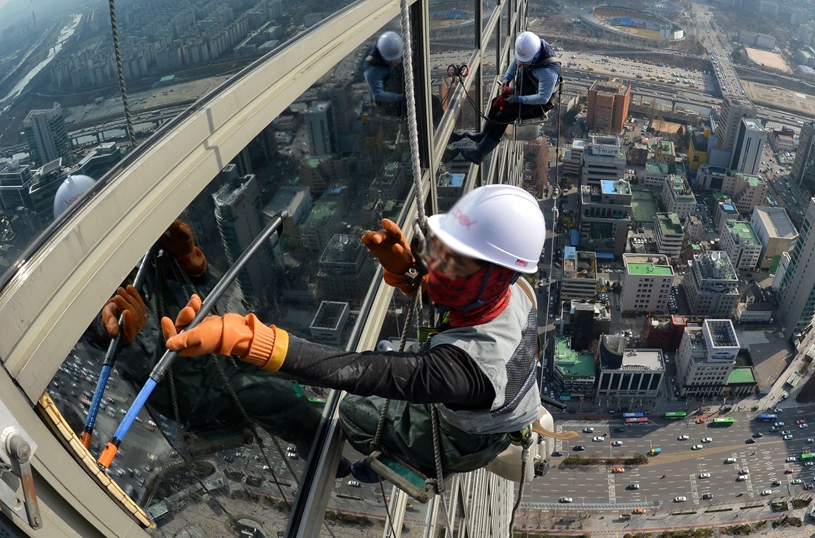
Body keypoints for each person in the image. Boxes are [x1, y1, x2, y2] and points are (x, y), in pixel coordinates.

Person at [158, 184, 546, 481]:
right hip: (493, 405)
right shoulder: (515, 295)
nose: (436, 267)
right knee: (390, 351)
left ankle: (366, 470)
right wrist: (411, 275)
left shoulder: (464, 372)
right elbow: (463, 300)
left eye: (456, 263)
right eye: (440, 249)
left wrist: (248, 340)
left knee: (355, 411)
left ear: (500, 276)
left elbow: (359, 371)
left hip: (460, 441)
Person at [91, 219, 323, 451]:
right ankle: (325, 449)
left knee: (294, 355)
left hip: (212, 350)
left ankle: (337, 392)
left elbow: (195, 286)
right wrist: (121, 337)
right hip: (189, 387)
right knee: (282, 400)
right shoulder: (90, 305)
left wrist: (189, 260)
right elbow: (105, 339)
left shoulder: (143, 260)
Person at [443, 31, 560, 165]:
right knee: (495, 103)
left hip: (538, 104)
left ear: (534, 57)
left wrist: (518, 99)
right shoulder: (532, 47)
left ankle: (479, 153)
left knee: (503, 116)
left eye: (525, 63)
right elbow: (516, 61)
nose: (521, 65)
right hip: (526, 91)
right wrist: (507, 78)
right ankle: (483, 135)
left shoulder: (548, 72)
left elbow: (542, 98)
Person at [364, 31, 406, 113]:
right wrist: (403, 97)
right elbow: (378, 95)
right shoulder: (373, 70)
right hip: (393, 104)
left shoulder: (399, 48)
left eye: (397, 60)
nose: (395, 63)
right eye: (392, 61)